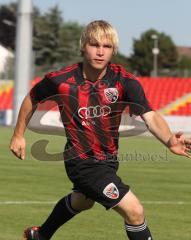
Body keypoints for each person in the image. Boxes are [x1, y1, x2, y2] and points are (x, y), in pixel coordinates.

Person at [10, 20, 191, 240]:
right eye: (94, 44)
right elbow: (32, 97)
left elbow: (150, 116)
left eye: (106, 46)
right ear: (83, 47)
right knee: (134, 211)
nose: (100, 51)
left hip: (108, 160)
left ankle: (39, 235)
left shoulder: (124, 81)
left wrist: (170, 140)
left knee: (82, 202)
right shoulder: (61, 81)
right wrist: (18, 134)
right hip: (82, 162)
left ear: (113, 50)